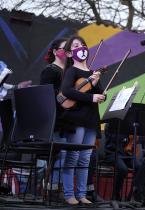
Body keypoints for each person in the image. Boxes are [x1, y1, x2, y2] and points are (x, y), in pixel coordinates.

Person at [60, 36, 105, 205]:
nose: (81, 48)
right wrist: (91, 97)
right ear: (71, 53)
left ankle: (82, 194)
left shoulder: (92, 72)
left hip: (92, 119)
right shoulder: (72, 70)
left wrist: (98, 87)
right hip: (77, 118)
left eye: (83, 45)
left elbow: (100, 93)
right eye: (76, 46)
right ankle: (68, 194)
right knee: (73, 157)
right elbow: (66, 91)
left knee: (85, 158)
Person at [39, 38, 68, 193]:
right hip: (55, 120)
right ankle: (52, 188)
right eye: (65, 48)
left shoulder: (69, 72)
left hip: (66, 120)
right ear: (56, 52)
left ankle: (57, 187)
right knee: (59, 154)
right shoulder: (51, 70)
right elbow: (45, 95)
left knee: (65, 155)